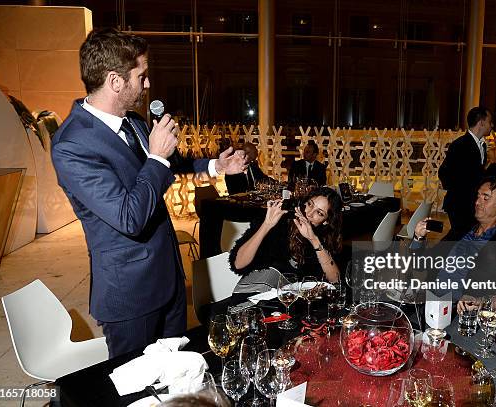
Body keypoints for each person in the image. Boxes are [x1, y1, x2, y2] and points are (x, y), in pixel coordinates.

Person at [51, 28, 247, 358]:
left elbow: (169, 164)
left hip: (168, 280)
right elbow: (130, 217)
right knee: (139, 389)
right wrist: (155, 155)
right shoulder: (72, 145)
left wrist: (216, 166)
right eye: (141, 76)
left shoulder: (134, 122)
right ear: (115, 81)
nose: (147, 85)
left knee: (174, 375)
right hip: (130, 297)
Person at [412, 177, 496, 302]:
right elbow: (420, 264)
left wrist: (479, 302)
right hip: (429, 300)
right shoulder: (460, 231)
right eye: (478, 196)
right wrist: (418, 238)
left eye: (485, 198)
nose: (477, 202)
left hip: (460, 311)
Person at [229, 187, 342, 282]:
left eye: (319, 213)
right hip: (258, 291)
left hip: (294, 299)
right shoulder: (280, 222)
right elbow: (238, 264)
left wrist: (313, 239)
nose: (309, 213)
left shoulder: (325, 238)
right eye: (309, 204)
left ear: (326, 220)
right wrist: (267, 225)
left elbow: (335, 280)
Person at [438, 106, 492, 239]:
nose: (492, 125)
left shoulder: (482, 145)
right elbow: (444, 172)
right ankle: (432, 257)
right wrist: (459, 189)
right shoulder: (460, 144)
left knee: (461, 237)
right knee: (459, 236)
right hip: (460, 203)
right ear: (481, 122)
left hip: (472, 202)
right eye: (490, 122)